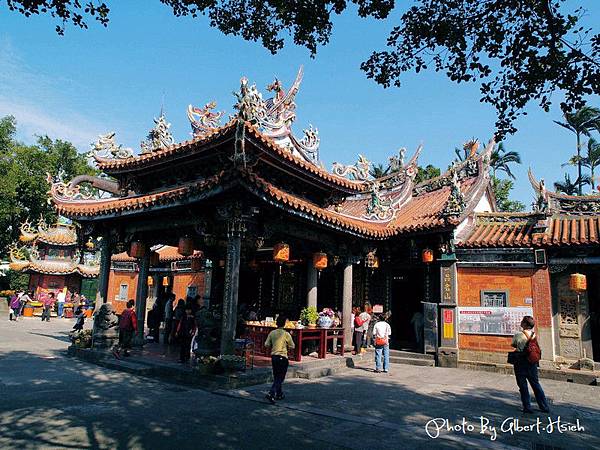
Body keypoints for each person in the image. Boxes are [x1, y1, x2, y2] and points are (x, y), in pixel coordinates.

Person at [511, 316, 549, 413]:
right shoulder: (534, 335)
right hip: (532, 362)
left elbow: (514, 345)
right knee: (535, 384)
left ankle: (527, 407)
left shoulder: (518, 335)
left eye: (522, 321)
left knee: (523, 386)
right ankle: (544, 406)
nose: (521, 322)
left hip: (520, 362)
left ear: (525, 324)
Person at [264, 314, 295, 404]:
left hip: (274, 357)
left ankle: (279, 394)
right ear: (284, 324)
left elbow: (266, 344)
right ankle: (272, 392)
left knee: (277, 376)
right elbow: (292, 346)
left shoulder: (272, 333)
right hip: (283, 357)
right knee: (280, 377)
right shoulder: (286, 334)